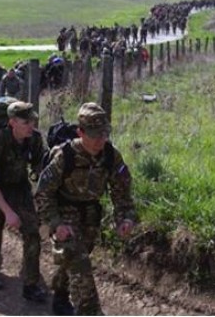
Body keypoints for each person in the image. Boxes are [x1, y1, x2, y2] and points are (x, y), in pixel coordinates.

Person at [35, 102, 137, 316]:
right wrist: (56, 224)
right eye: (95, 135)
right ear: (80, 132)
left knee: (72, 261)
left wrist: (125, 219)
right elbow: (43, 192)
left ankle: (60, 297)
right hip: (64, 213)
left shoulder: (110, 155)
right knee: (80, 264)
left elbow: (122, 191)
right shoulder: (65, 156)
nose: (101, 140)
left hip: (91, 216)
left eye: (104, 134)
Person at [0, 101, 47, 302]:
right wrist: (8, 212)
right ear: (12, 123)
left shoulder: (34, 139)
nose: (31, 126)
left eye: (33, 121)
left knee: (33, 234)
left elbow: (39, 166)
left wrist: (39, 175)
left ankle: (30, 284)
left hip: (20, 190)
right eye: (26, 122)